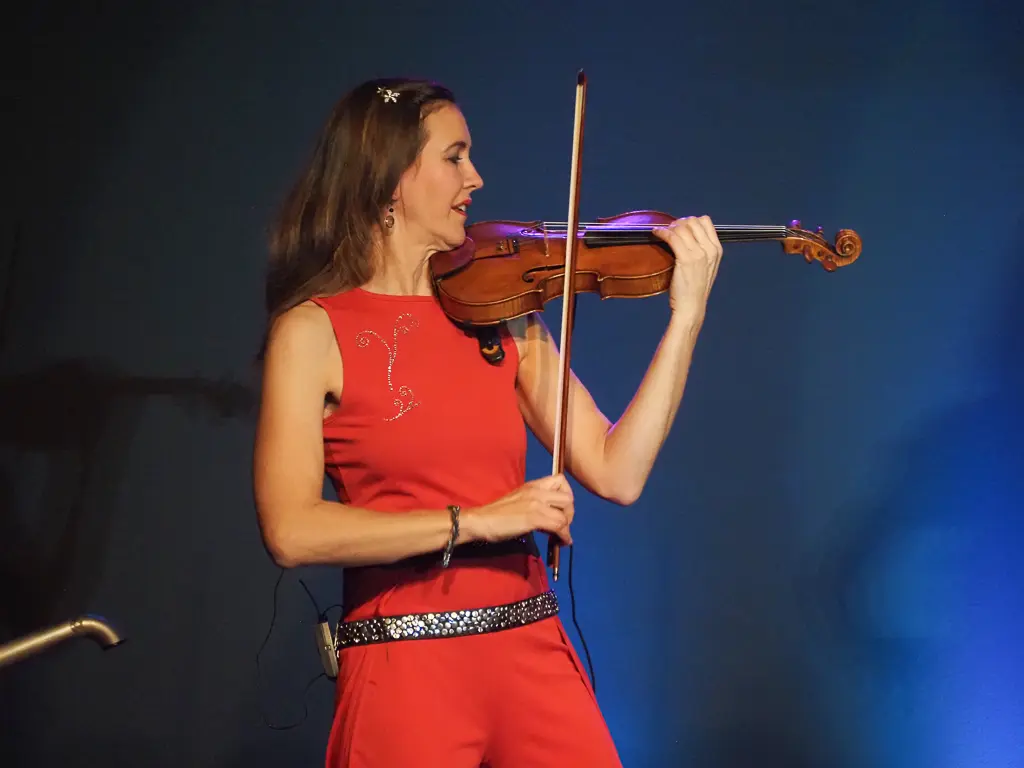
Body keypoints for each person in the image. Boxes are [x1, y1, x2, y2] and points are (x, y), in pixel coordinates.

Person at [252, 77, 723, 767]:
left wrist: (686, 318)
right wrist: (476, 521)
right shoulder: (313, 331)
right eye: (454, 157)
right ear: (391, 177)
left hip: (530, 651)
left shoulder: (503, 315)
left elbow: (618, 473)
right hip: (405, 668)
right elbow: (292, 531)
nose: (475, 178)